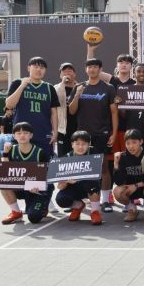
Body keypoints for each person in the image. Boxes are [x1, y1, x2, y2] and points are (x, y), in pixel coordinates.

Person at [67, 58, 118, 213]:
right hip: (82, 136)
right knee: (81, 167)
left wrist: (114, 133)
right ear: (86, 69)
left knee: (103, 167)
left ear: (100, 69)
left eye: (95, 67)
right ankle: (81, 199)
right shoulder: (79, 87)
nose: (92, 69)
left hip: (102, 133)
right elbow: (72, 111)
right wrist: (77, 95)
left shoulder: (108, 88)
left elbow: (114, 112)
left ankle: (105, 200)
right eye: (89, 67)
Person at [0, 122, 52, 225]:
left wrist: (37, 186)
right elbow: (6, 172)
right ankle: (16, 212)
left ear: (31, 135)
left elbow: (47, 174)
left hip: (38, 188)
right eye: (19, 133)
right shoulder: (11, 150)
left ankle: (43, 205)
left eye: (25, 133)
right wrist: (5, 154)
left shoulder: (40, 152)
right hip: (22, 186)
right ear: (14, 136)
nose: (22, 135)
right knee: (3, 184)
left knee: (34, 218)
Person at [5, 56, 59, 155]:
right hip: (21, 133)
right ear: (28, 68)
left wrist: (55, 132)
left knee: (45, 162)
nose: (39, 70)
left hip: (43, 132)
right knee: (20, 162)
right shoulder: (18, 83)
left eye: (42, 68)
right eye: (36, 67)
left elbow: (54, 112)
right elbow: (9, 105)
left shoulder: (49, 88)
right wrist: (22, 86)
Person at [54, 130, 103, 225]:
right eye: (77, 144)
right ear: (72, 144)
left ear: (89, 144)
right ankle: (78, 206)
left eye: (84, 144)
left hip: (89, 185)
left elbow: (98, 173)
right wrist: (66, 181)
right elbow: (60, 186)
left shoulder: (94, 154)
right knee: (61, 199)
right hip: (73, 187)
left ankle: (95, 211)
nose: (80, 147)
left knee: (93, 183)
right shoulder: (66, 158)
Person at [112, 129, 144, 222]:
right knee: (117, 191)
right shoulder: (123, 157)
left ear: (141, 142)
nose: (131, 146)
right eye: (128, 143)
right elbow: (118, 182)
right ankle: (132, 209)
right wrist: (116, 164)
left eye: (134, 142)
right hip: (130, 188)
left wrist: (137, 185)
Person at [54, 62, 78, 157]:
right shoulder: (56, 88)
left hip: (78, 127)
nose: (67, 72)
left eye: (70, 70)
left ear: (75, 74)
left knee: (79, 155)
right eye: (64, 71)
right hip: (62, 128)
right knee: (63, 157)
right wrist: (63, 83)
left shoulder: (80, 87)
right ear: (60, 75)